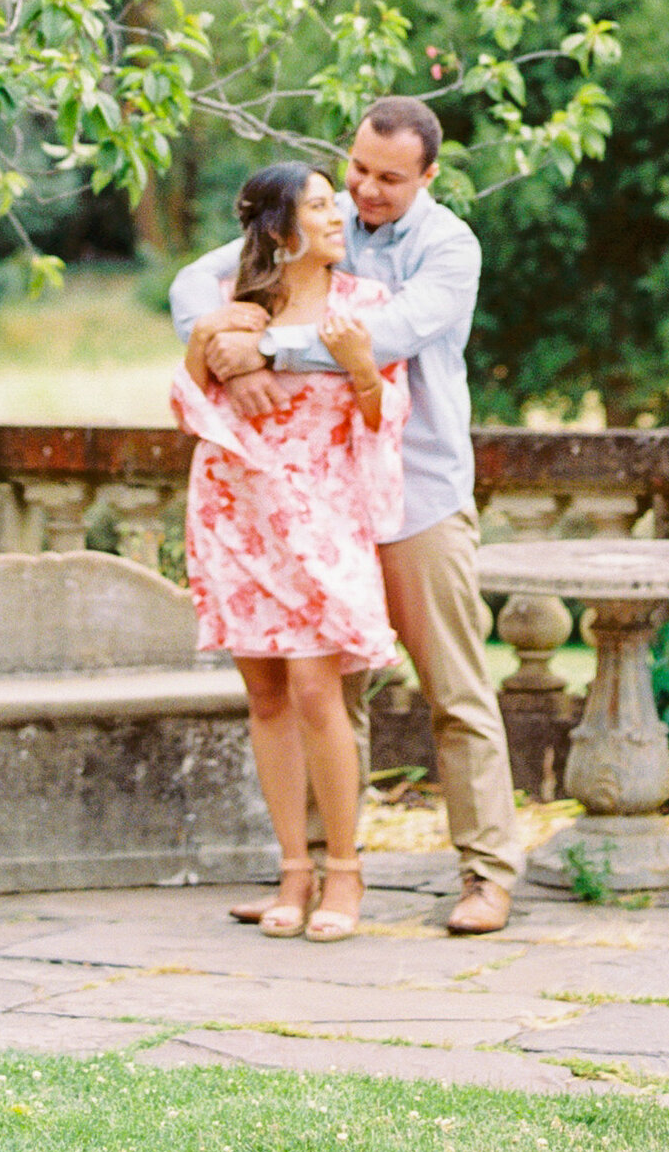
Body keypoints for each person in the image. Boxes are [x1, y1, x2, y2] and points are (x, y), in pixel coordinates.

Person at [172, 96, 524, 936]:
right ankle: (323, 872)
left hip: (416, 494)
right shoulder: (318, 218)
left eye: (388, 180)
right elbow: (196, 281)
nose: (365, 190)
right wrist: (221, 338)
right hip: (314, 505)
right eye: (358, 170)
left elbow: (388, 336)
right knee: (323, 694)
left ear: (428, 176)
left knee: (454, 689)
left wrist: (265, 349)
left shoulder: (449, 247)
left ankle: (487, 875)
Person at [173, 161, 408, 942]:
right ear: (280, 230)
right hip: (239, 510)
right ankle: (291, 871)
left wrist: (362, 367)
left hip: (323, 511)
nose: (339, 216)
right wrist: (219, 361)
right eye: (318, 206)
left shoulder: (364, 306)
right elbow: (189, 399)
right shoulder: (230, 311)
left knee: (316, 688)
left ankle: (345, 871)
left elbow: (384, 414)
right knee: (266, 694)